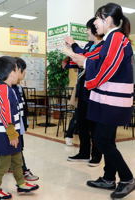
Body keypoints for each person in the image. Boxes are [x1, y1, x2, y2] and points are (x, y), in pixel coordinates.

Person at [66, 3, 135, 199]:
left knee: (103, 140)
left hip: (112, 101)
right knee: (106, 139)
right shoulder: (111, 39)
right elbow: (96, 58)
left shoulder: (117, 38)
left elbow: (107, 68)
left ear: (108, 19)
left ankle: (128, 178)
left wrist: (84, 62)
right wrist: (78, 55)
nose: (95, 23)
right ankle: (107, 178)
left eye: (97, 18)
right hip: (108, 100)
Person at [0, 56, 39, 199]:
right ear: (12, 72)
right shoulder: (3, 90)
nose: (20, 74)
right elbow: (5, 114)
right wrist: (12, 135)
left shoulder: (8, 89)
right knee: (2, 164)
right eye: (18, 70)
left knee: (17, 160)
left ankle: (21, 183)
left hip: (10, 133)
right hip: (3, 135)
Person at [64, 17, 103, 167]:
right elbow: (80, 61)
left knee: (94, 126)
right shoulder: (88, 45)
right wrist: (68, 59)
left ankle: (96, 155)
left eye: (88, 29)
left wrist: (73, 45)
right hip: (83, 90)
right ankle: (84, 152)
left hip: (95, 92)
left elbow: (86, 58)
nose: (87, 31)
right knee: (82, 124)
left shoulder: (103, 46)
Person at [12, 57, 39, 181]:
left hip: (20, 123)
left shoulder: (19, 88)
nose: (24, 73)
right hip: (12, 126)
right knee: (17, 147)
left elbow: (24, 107)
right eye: (23, 71)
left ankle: (12, 166)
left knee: (18, 146)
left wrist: (25, 122)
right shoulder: (7, 89)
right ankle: (23, 170)